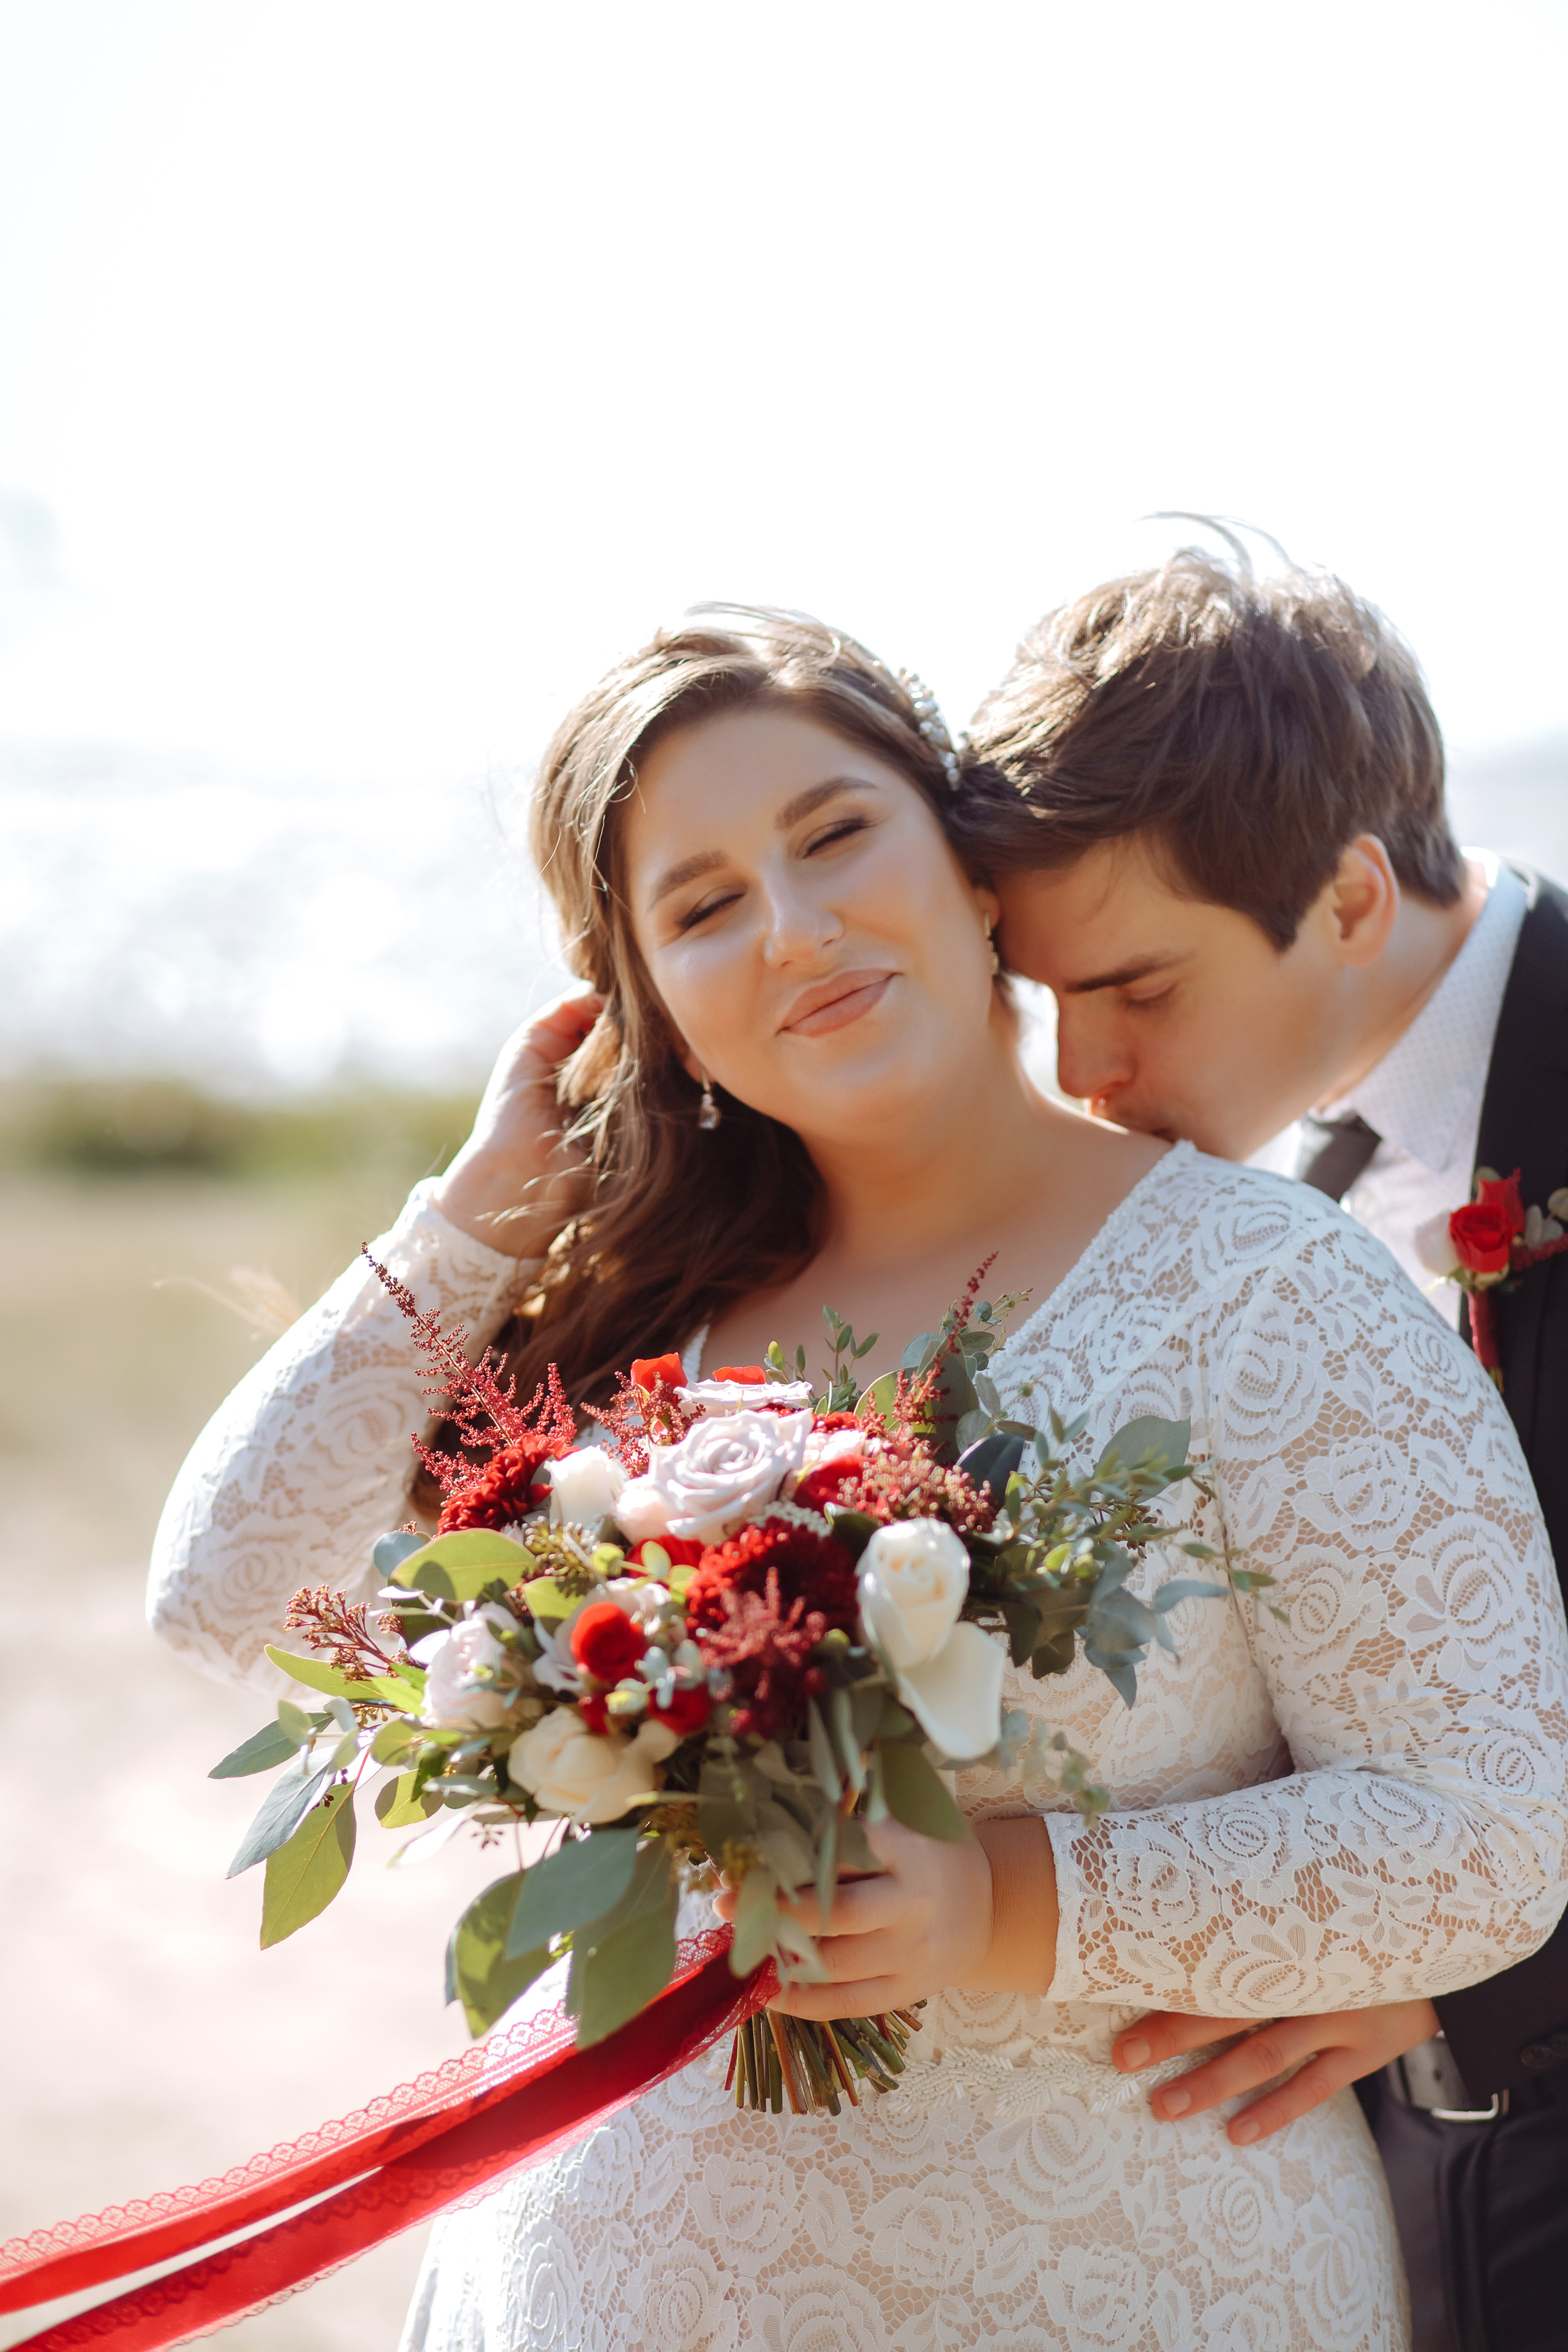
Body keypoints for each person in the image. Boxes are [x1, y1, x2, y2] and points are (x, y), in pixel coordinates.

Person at [149, 606, 1568, 2352]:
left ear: (973, 874)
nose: (798, 930)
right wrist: (464, 1226)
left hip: (1133, 2288)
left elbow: (1488, 1836)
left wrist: (1003, 1905)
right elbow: (222, 1599)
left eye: (836, 837)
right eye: (703, 905)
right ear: (645, 1007)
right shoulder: (615, 1327)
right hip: (598, 2288)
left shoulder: (1270, 1288)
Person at [955, 539, 1568, 2352]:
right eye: (1049, 998)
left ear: (1354, 896)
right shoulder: (1221, 1221)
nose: (1087, 1073)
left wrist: (1490, 1981)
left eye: (1136, 991)